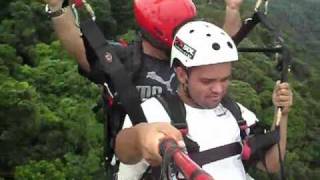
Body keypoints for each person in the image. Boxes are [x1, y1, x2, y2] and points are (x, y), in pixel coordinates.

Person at [115, 21, 293, 180]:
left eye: (225, 79)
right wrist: (140, 136)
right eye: (207, 81)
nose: (218, 89)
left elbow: (271, 165)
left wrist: (282, 115)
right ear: (182, 74)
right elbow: (124, 152)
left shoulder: (237, 113)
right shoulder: (153, 111)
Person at [44, 0, 243, 100]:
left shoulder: (190, 53)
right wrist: (57, 8)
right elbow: (80, 50)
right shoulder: (123, 61)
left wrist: (232, 10)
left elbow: (221, 46)